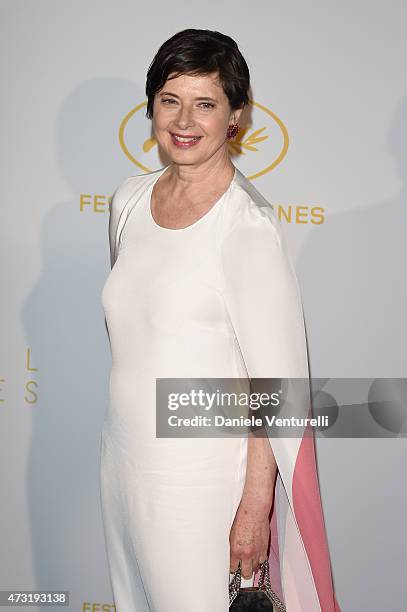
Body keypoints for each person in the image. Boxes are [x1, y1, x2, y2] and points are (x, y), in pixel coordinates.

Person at [100, 28, 341, 612]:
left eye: (205, 103)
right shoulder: (128, 201)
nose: (184, 120)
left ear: (236, 116)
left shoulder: (247, 229)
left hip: (201, 477)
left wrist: (255, 506)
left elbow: (277, 386)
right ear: (152, 106)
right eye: (169, 100)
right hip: (123, 460)